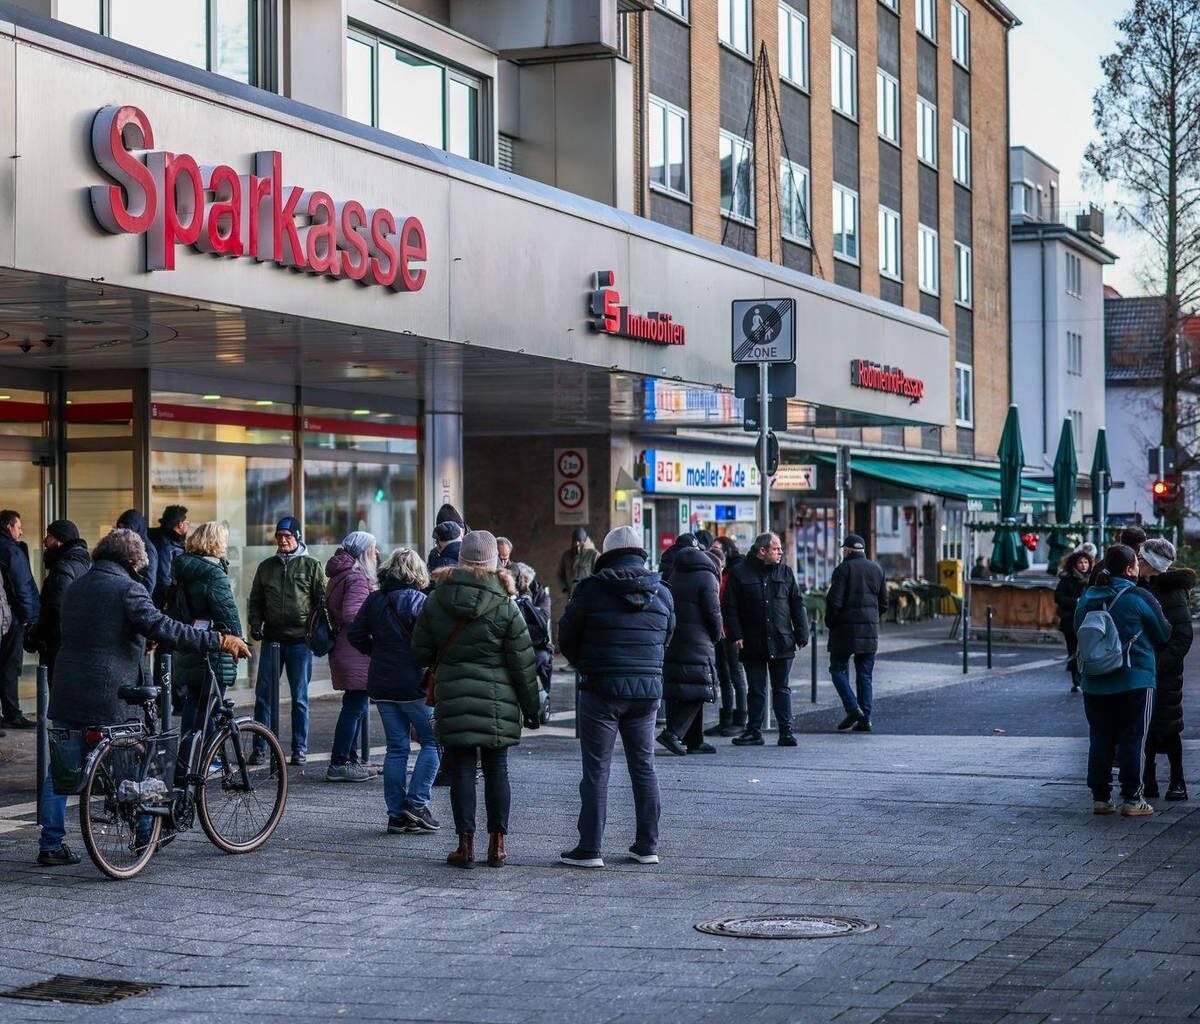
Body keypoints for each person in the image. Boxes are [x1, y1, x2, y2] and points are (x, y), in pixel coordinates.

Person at [37, 528, 249, 867]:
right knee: (140, 763)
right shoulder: (128, 588)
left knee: (61, 771)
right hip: (112, 695)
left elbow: (98, 630)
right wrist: (219, 640)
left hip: (68, 691)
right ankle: (145, 834)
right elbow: (166, 628)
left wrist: (136, 637)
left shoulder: (77, 586)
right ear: (132, 561)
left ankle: (50, 844)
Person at [411, 531, 540, 869]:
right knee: (497, 769)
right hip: (498, 702)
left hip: (454, 697)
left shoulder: (437, 599)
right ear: (495, 561)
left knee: (462, 770)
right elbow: (523, 663)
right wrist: (532, 709)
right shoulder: (506, 604)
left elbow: (419, 651)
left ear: (461, 559)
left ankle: (465, 846)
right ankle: (497, 846)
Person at [557, 525, 674, 868]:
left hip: (601, 689)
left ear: (606, 554)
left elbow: (567, 637)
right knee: (644, 765)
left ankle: (590, 848)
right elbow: (667, 636)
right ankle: (647, 845)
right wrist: (648, 667)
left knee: (596, 769)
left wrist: (586, 665)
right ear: (640, 552)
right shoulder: (662, 592)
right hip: (647, 691)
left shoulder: (590, 589)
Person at [347, 548, 441, 833]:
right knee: (433, 742)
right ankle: (417, 803)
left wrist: (376, 652)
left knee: (397, 748)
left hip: (382, 684)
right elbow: (433, 642)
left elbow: (355, 634)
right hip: (414, 684)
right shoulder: (421, 602)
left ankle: (396, 815)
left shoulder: (375, 599)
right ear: (418, 572)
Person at [1074, 544, 1170, 817]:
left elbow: (1077, 629)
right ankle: (1132, 798)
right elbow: (1163, 633)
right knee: (1133, 738)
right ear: (1129, 569)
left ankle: (1101, 798)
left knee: (1100, 737)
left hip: (1094, 679)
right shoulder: (1138, 596)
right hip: (1134, 678)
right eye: (1136, 564)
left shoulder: (1088, 597)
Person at [248, 516, 326, 766]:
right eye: (279, 536)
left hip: (300, 641)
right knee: (263, 696)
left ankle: (299, 748)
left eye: (287, 536)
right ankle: (260, 748)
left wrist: (316, 632)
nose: (282, 540)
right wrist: (255, 624)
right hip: (272, 640)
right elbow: (256, 601)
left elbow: (322, 602)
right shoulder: (266, 567)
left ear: (297, 537)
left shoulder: (312, 566)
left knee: (299, 697)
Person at [723, 532, 809, 747]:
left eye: (780, 548)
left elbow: (797, 604)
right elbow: (730, 608)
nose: (780, 552)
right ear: (762, 551)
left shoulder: (785, 572)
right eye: (776, 548)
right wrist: (736, 634)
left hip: (782, 640)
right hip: (752, 641)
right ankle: (754, 731)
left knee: (782, 688)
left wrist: (802, 633)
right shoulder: (740, 573)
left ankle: (786, 732)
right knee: (756, 689)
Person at [168, 521, 243, 741]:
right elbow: (228, 613)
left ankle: (188, 752)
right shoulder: (212, 572)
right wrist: (237, 639)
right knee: (210, 704)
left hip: (188, 641)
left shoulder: (183, 567)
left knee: (194, 701)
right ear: (216, 542)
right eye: (224, 540)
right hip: (213, 645)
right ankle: (208, 755)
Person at [1138, 538, 1193, 802]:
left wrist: (1160, 665)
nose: (1138, 561)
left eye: (1142, 557)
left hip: (1164, 672)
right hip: (1145, 667)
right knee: (1145, 726)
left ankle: (1177, 780)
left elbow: (1183, 635)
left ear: (1153, 562)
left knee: (1169, 726)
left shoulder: (1172, 591)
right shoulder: (1140, 586)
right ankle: (1148, 780)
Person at [657, 540, 722, 756]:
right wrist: (716, 635)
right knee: (701, 688)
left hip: (675, 636)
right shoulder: (707, 576)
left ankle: (695, 740)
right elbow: (713, 612)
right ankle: (673, 733)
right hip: (698, 639)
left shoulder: (675, 573)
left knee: (683, 688)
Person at [324, 531, 378, 783]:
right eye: (373, 549)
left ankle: (350, 760)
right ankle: (339, 762)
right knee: (354, 707)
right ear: (363, 552)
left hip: (346, 648)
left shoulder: (341, 573)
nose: (376, 554)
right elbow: (353, 614)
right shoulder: (356, 577)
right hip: (355, 650)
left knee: (356, 706)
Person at [826, 534, 889, 733]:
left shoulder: (842, 569)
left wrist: (831, 623)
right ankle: (865, 719)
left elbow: (834, 602)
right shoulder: (877, 569)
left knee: (837, 669)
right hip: (869, 631)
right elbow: (884, 603)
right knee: (865, 675)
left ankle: (853, 708)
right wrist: (871, 619)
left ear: (847, 550)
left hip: (844, 630)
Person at [27, 520, 89, 683]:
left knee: (56, 686)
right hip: (76, 639)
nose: (45, 541)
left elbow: (54, 609)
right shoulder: (84, 565)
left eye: (49, 536)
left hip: (58, 642)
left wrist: (36, 635)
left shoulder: (63, 567)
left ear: (60, 540)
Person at [0, 509, 38, 730]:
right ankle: (12, 714)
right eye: (19, 527)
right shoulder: (11, 551)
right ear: (9, 527)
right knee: (10, 666)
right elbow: (22, 585)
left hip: (5, 614)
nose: (21, 532)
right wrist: (27, 616)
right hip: (11, 616)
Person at [706, 536, 748, 738]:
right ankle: (726, 719)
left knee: (736, 674)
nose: (713, 551)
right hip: (719, 629)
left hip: (732, 630)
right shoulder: (717, 569)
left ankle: (741, 719)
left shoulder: (736, 570)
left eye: (717, 548)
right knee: (723, 674)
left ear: (728, 550)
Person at [514, 562, 554, 719]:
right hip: (517, 642)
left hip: (536, 644)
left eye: (526, 580)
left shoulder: (540, 594)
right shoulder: (512, 591)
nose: (524, 583)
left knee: (543, 658)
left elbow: (542, 622)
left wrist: (528, 605)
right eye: (521, 579)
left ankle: (544, 695)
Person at [1055, 549, 1093, 693]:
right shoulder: (1067, 579)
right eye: (1080, 563)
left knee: (1087, 651)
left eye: (1086, 562)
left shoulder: (1093, 579)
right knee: (1073, 651)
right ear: (1074, 564)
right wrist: (1075, 602)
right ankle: (1076, 680)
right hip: (1070, 620)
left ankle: (1087, 678)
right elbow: (1058, 597)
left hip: (1088, 621)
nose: (1083, 565)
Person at [147, 505, 188, 606]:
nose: (188, 525)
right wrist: (169, 601)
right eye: (187, 522)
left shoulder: (159, 537)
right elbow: (165, 578)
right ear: (180, 525)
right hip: (162, 600)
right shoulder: (166, 546)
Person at [115, 509, 158, 596]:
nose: (122, 532)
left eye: (126, 529)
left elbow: (148, 585)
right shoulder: (122, 546)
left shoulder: (148, 549)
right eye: (120, 528)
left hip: (136, 598)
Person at [556, 527, 597, 599]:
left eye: (580, 542)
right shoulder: (567, 556)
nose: (577, 544)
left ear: (584, 541)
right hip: (572, 596)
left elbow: (599, 574)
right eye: (575, 542)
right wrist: (565, 589)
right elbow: (559, 574)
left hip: (588, 596)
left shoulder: (593, 555)